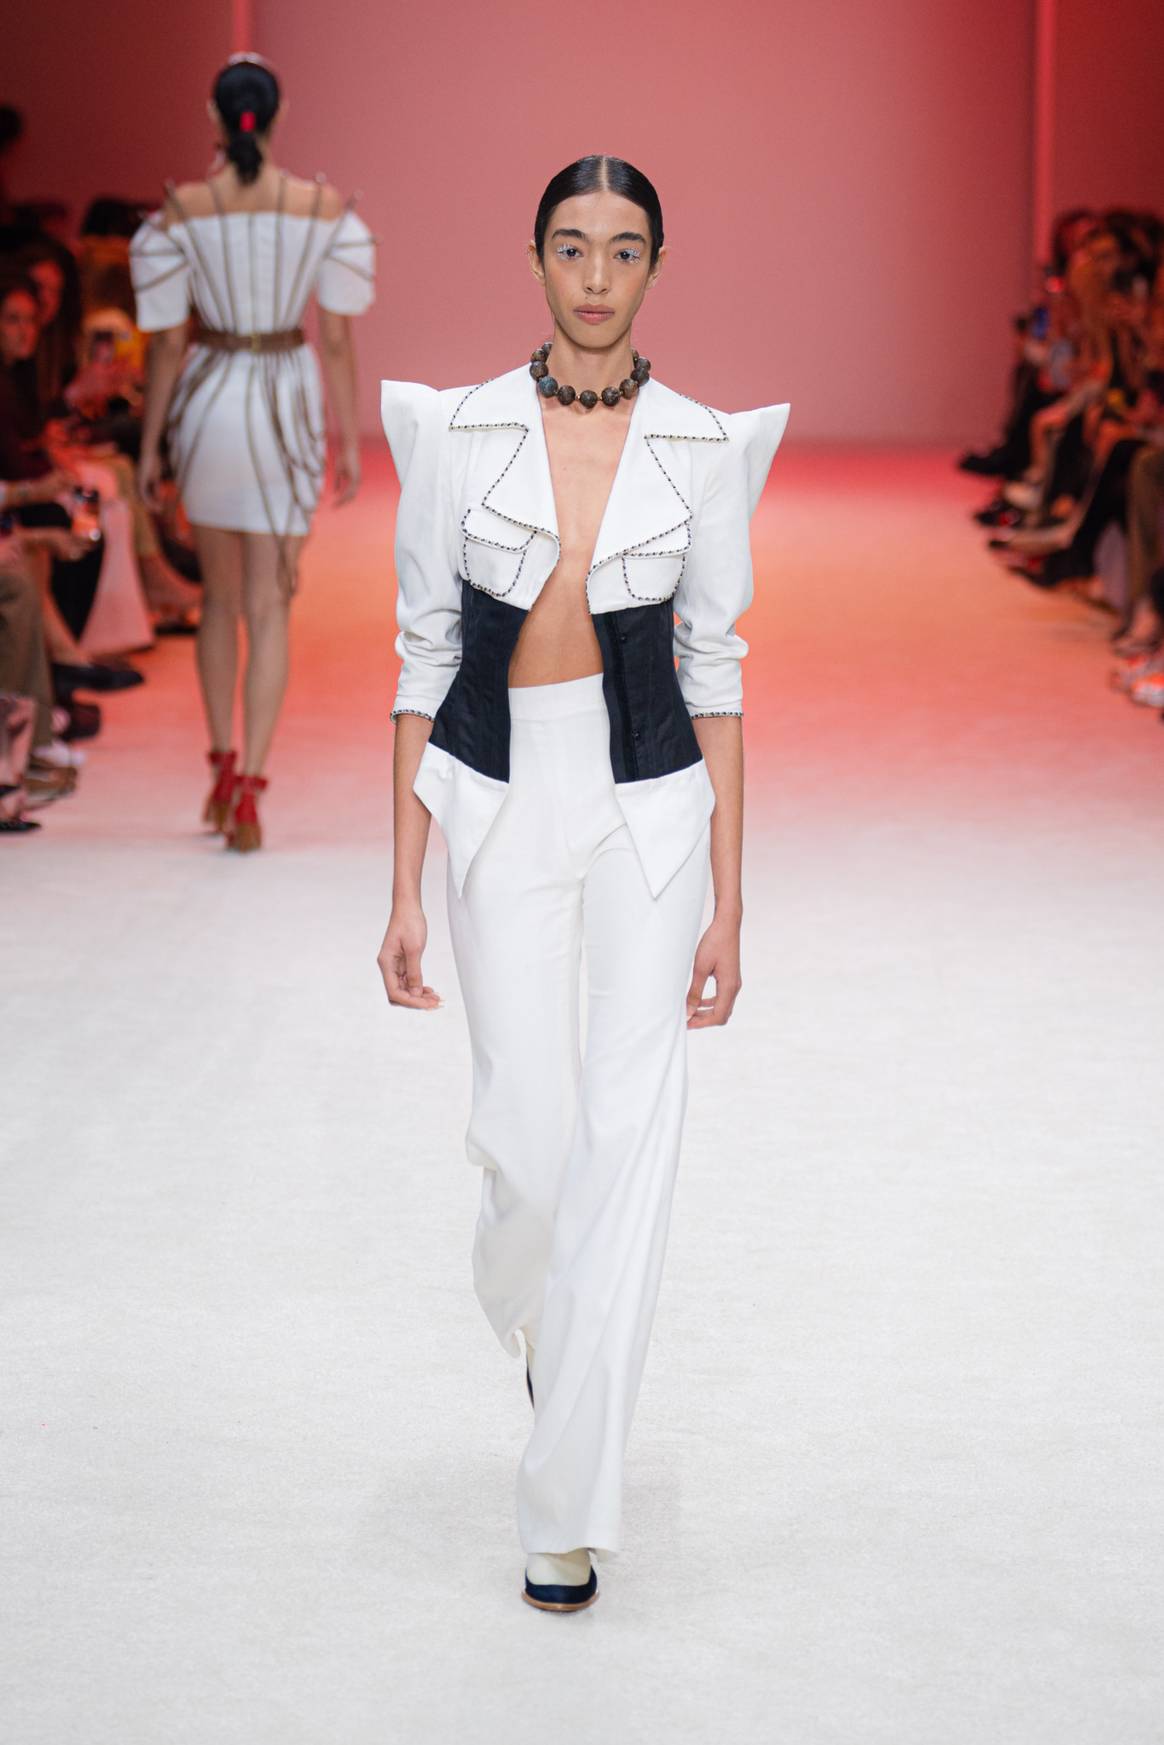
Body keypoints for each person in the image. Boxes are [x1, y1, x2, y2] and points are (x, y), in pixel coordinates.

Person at [377, 155, 789, 1613]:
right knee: (532, 1143)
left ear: (656, 265)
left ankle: (565, 1510)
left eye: (623, 249)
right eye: (571, 245)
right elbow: (425, 655)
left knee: (629, 1141)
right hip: (498, 797)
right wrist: (404, 882)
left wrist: (731, 899)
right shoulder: (459, 427)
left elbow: (716, 672)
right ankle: (544, 1319)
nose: (597, 275)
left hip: (648, 812)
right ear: (536, 258)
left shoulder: (702, 445)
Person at [131, 53, 375, 850]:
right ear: (279, 115)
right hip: (282, 401)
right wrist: (347, 440)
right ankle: (252, 791)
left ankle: (221, 767)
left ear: (214, 115)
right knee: (269, 606)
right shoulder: (324, 209)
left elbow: (167, 342)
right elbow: (334, 338)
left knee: (219, 602)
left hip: (210, 401)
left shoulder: (178, 213)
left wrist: (150, 447)